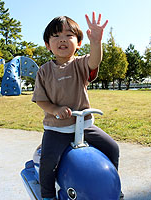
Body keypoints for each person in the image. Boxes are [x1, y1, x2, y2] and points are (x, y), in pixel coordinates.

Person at [32, 12, 123, 200]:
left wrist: (96, 41)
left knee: (112, 148)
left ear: (79, 43)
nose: (62, 40)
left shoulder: (80, 64)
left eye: (68, 35)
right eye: (56, 36)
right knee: (48, 161)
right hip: (56, 128)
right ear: (48, 45)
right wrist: (55, 110)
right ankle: (47, 195)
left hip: (84, 126)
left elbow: (94, 61)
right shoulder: (44, 71)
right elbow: (41, 99)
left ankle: (112, 187)